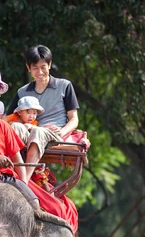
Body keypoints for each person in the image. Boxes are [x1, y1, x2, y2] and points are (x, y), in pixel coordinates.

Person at [0, 85, 79, 232]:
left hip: (6, 176)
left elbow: (15, 156)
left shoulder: (1, 125)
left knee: (35, 204)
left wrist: (23, 184)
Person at [7, 45, 88, 181]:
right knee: (14, 127)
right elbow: (7, 118)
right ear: (28, 68)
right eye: (35, 68)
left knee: (38, 131)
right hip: (30, 132)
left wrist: (62, 132)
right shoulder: (23, 91)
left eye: (43, 67)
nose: (40, 71)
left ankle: (23, 181)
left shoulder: (64, 85)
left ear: (49, 65)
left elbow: (74, 119)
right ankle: (7, 171)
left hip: (53, 134)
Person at [6, 96, 63, 183]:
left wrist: (32, 127)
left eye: (34, 113)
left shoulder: (36, 125)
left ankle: (25, 180)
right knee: (15, 126)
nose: (32, 116)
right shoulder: (12, 120)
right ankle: (10, 168)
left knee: (37, 130)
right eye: (28, 112)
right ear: (20, 112)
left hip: (45, 136)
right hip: (22, 142)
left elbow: (39, 132)